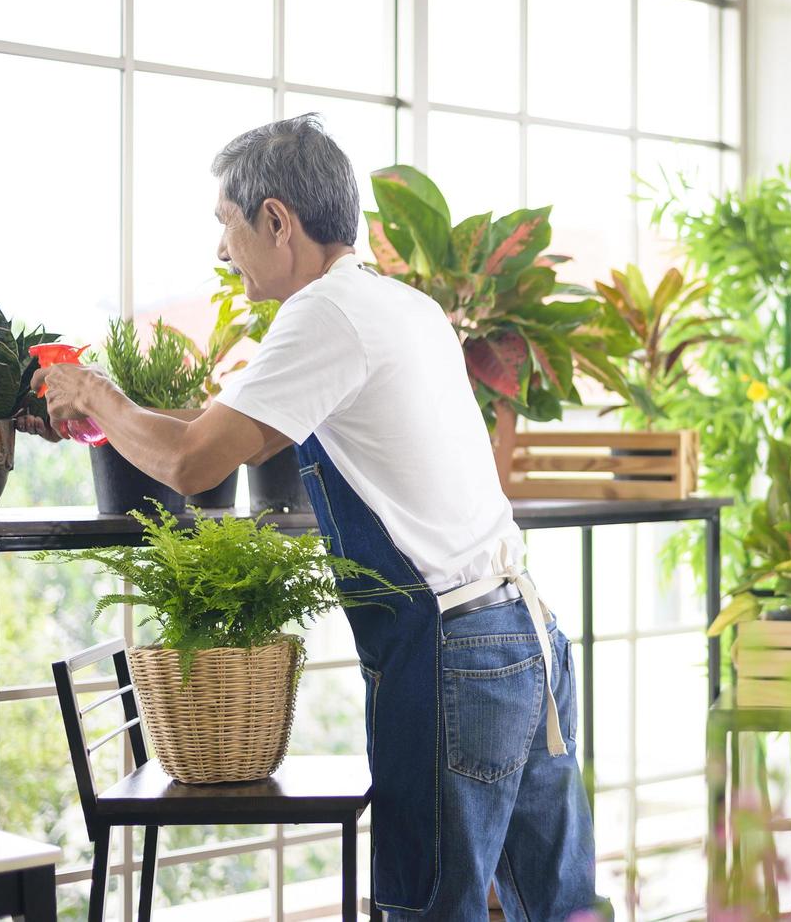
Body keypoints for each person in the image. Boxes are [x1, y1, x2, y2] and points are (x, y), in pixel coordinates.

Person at [32, 114, 601, 921]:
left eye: (227, 226)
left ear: (276, 220)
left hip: (449, 653)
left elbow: (195, 463)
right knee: (556, 908)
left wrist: (98, 395)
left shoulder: (324, 314)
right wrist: (117, 412)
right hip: (524, 637)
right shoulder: (399, 306)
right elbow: (223, 424)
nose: (223, 252)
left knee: (429, 910)